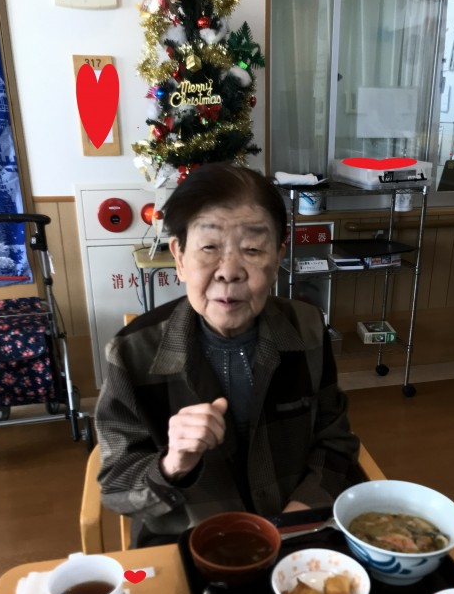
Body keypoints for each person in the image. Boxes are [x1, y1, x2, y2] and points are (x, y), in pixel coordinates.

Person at [95, 162, 363, 547]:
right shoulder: (132, 353)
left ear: (278, 256)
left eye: (252, 249)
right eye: (209, 248)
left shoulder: (306, 328)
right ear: (180, 256)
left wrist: (297, 517)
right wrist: (172, 464)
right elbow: (117, 489)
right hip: (190, 546)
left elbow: (335, 444)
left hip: (298, 535)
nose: (229, 272)